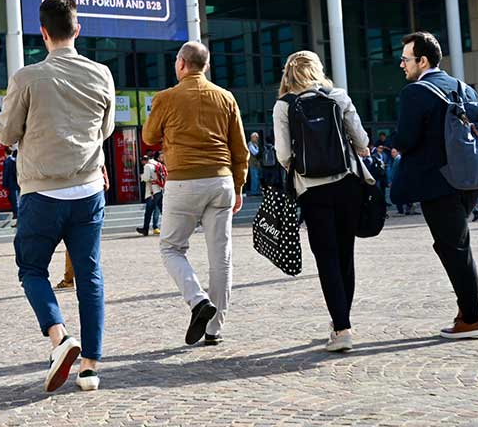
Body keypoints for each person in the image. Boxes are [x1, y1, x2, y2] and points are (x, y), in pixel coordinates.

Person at [0, 0, 115, 393]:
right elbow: (107, 130)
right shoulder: (102, 74)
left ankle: (59, 338)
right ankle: (90, 368)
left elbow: (6, 133)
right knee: (89, 274)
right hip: (88, 189)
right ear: (76, 30)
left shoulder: (27, 77)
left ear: (43, 33)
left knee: (32, 269)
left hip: (42, 192)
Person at [144, 41, 249, 349]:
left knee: (172, 248)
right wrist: (239, 187)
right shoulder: (226, 97)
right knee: (221, 257)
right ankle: (215, 329)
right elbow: (240, 149)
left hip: (183, 182)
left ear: (180, 64)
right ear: (206, 66)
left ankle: (198, 300)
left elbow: (149, 137)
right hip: (221, 181)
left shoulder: (166, 98)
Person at [274, 51, 373, 352]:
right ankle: (343, 321)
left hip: (311, 190)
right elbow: (362, 140)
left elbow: (282, 154)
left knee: (326, 258)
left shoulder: (284, 105)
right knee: (346, 255)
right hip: (346, 185)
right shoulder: (338, 96)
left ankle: (341, 328)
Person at [390, 32, 478, 340]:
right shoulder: (463, 87)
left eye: (406, 59)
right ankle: (467, 312)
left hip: (437, 184)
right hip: (467, 180)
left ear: (423, 60)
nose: (402, 65)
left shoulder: (414, 93)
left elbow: (406, 140)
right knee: (459, 246)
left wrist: (395, 145)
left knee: (454, 249)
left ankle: (471, 319)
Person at [137, 151, 164, 236]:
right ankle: (172, 227)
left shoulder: (147, 166)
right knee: (162, 209)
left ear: (144, 160)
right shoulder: (158, 164)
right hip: (159, 189)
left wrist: (141, 176)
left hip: (151, 191)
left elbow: (146, 178)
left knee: (148, 211)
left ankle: (145, 229)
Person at [387, 148, 412, 215]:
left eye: (394, 152)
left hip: (397, 181)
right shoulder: (397, 159)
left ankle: (401, 210)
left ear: (397, 152)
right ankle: (406, 209)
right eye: (392, 152)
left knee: (398, 195)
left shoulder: (398, 159)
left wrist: (391, 181)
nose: (392, 154)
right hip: (399, 181)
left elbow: (395, 171)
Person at [3, 147, 19, 224]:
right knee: (17, 198)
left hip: (11, 182)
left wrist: (4, 184)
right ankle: (17, 213)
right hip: (18, 181)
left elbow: (6, 173)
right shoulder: (15, 160)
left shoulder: (7, 161)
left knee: (13, 198)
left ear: (5, 153)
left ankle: (16, 213)